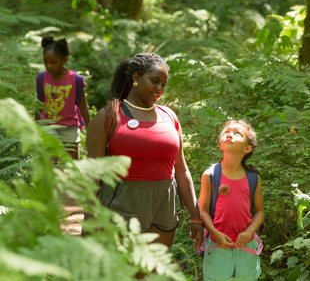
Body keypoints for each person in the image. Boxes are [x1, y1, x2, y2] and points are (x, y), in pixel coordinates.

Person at [87, 52, 203, 247]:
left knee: (153, 273)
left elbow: (181, 170)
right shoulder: (108, 117)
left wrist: (195, 216)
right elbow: (93, 177)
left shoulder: (169, 116)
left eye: (163, 85)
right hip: (124, 203)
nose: (159, 89)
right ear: (135, 77)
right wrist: (88, 223)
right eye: (154, 81)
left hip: (164, 204)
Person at [199, 120, 264, 280]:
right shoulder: (211, 175)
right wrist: (215, 233)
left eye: (237, 133)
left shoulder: (253, 178)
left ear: (247, 148)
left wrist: (250, 231)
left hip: (246, 247)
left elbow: (260, 211)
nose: (229, 134)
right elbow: (203, 211)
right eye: (226, 131)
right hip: (217, 245)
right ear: (220, 144)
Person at [35, 36, 90, 160]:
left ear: (64, 60)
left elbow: (82, 107)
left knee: (73, 162)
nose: (49, 66)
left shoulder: (76, 80)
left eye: (53, 62)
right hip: (48, 125)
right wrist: (36, 126)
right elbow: (39, 104)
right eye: (46, 62)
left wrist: (90, 129)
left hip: (70, 126)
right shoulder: (41, 78)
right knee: (51, 160)